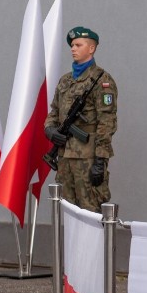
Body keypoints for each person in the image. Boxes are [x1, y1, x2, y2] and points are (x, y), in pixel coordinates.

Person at [44, 27, 118, 212]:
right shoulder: (65, 81)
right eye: (72, 45)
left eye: (78, 45)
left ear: (91, 48)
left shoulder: (102, 81)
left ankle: (94, 243)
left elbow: (106, 123)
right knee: (67, 211)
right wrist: (50, 130)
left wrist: (100, 160)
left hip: (88, 159)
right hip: (64, 158)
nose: (73, 48)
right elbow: (54, 111)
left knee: (90, 210)